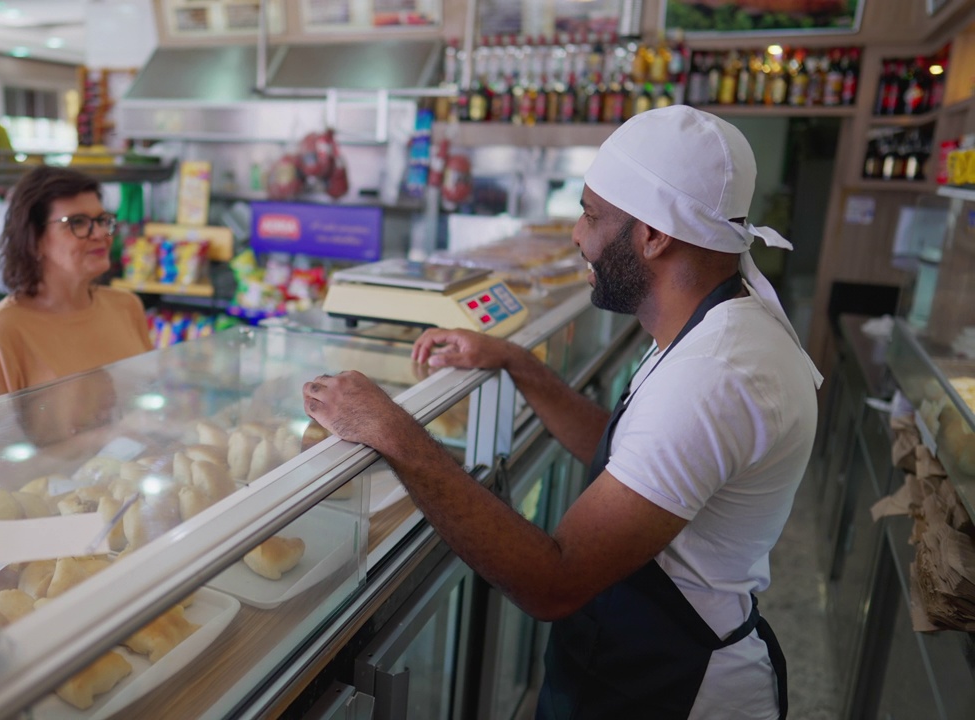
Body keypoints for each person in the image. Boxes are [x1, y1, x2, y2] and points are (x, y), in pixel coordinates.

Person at [302, 106, 822, 720]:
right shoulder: (714, 328)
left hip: (677, 689)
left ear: (654, 235)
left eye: (592, 215)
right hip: (634, 665)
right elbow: (632, 452)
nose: (578, 235)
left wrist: (390, 431)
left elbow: (555, 580)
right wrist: (518, 363)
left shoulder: (716, 375)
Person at [0, 165, 153, 407]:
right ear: (34, 240)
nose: (101, 233)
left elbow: (146, 404)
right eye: (78, 223)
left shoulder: (126, 306)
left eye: (102, 220)